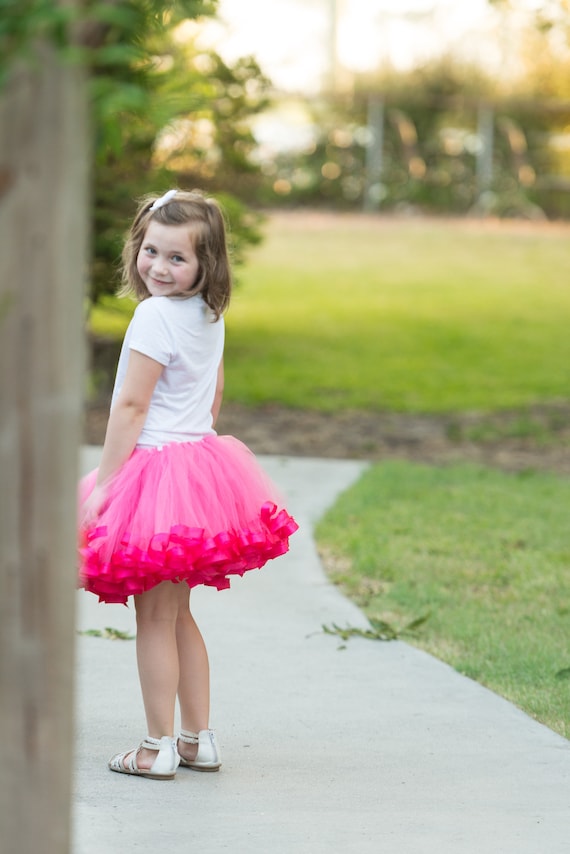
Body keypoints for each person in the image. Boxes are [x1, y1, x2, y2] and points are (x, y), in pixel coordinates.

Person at [78, 189, 298, 780]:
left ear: (207, 264)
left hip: (152, 473)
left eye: (177, 258)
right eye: (151, 251)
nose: (158, 267)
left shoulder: (153, 315)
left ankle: (156, 748)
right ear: (136, 249)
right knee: (179, 616)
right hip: (196, 465)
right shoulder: (208, 312)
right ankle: (200, 739)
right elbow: (215, 391)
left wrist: (106, 483)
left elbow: (129, 406)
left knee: (153, 619)